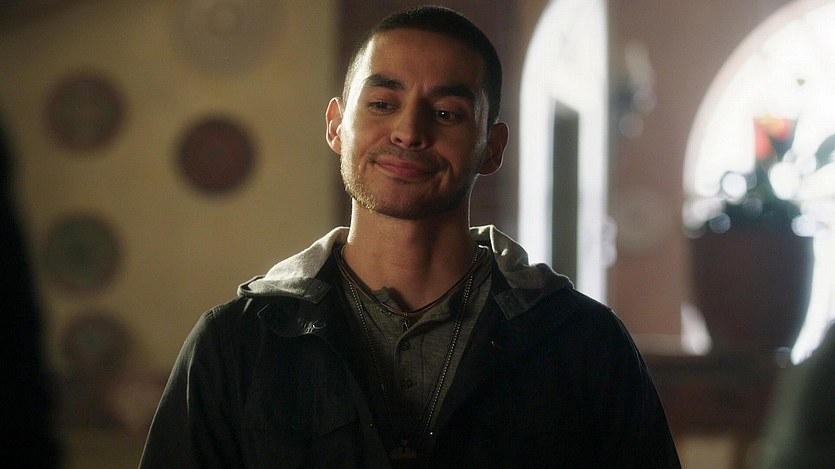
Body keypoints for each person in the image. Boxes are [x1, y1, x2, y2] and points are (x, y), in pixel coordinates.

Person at [140, 5, 680, 468]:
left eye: (446, 112)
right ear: (336, 125)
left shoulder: (582, 342)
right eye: (382, 104)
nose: (408, 132)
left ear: (491, 148)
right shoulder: (237, 342)